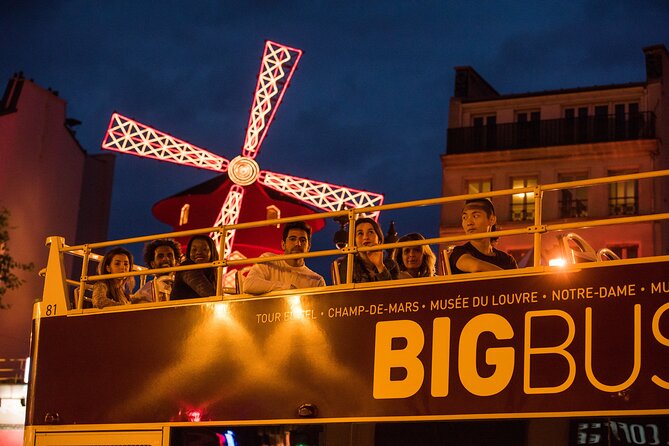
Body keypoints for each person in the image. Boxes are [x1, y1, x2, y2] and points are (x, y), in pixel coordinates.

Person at [243, 221, 325, 294]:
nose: (298, 244)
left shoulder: (316, 281)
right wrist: (286, 287)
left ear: (308, 247)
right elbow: (249, 284)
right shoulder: (269, 260)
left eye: (303, 240)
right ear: (283, 244)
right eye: (292, 239)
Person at [449, 198, 518, 274]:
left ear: (492, 219)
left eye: (475, 216)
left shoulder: (507, 260)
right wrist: (507, 276)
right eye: (465, 218)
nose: (469, 222)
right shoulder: (459, 252)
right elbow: (476, 267)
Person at [336, 217, 399, 283]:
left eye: (370, 232)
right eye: (360, 233)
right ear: (354, 241)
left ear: (379, 240)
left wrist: (380, 266)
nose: (366, 237)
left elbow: (392, 292)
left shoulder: (391, 265)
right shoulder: (348, 264)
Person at [133, 238, 181, 303]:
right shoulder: (144, 293)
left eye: (169, 255)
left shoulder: (183, 286)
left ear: (176, 262)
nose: (165, 259)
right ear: (152, 264)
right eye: (160, 256)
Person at [170, 234, 217, 300]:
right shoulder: (186, 267)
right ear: (189, 253)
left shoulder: (211, 274)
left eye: (204, 249)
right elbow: (210, 294)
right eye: (194, 250)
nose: (198, 252)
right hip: (182, 309)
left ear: (212, 252)